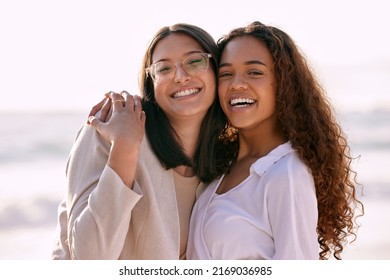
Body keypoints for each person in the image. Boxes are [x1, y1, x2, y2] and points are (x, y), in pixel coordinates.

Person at [51, 23, 235, 260]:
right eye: (164, 68)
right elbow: (89, 259)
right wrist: (125, 149)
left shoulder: (225, 160)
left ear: (216, 70)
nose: (180, 76)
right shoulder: (110, 127)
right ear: (151, 81)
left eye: (195, 61)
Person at [187, 21, 364, 260]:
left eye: (254, 72)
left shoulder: (286, 173)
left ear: (284, 84)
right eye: (226, 74)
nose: (236, 84)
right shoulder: (217, 168)